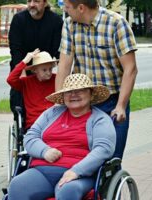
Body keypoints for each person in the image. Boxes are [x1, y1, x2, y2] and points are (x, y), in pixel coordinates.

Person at [8, 73, 116, 199]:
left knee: (68, 190)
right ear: (63, 96)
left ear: (91, 94)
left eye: (80, 90)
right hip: (42, 171)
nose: (73, 94)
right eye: (68, 92)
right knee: (17, 185)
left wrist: (76, 171)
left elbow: (103, 149)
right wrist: (45, 151)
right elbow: (30, 136)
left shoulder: (100, 119)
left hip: (79, 174)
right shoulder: (52, 113)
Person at [56, 0, 138, 159]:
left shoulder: (116, 23)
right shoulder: (69, 24)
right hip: (82, 102)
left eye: (66, 7)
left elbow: (131, 69)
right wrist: (58, 101)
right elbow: (64, 65)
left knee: (111, 159)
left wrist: (121, 106)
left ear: (81, 8)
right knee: (81, 157)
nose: (65, 11)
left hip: (112, 102)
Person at [8, 0, 63, 123]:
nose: (32, 4)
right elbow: (15, 50)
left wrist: (60, 75)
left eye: (36, 1)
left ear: (44, 3)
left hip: (45, 67)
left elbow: (59, 51)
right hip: (23, 67)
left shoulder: (55, 21)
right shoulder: (19, 20)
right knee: (19, 105)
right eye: (29, 1)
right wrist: (22, 74)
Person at [6, 49, 56, 129]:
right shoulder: (27, 82)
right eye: (44, 70)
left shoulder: (56, 79)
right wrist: (25, 61)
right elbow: (10, 79)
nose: (48, 72)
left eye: (50, 69)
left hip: (53, 121)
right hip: (35, 123)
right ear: (34, 70)